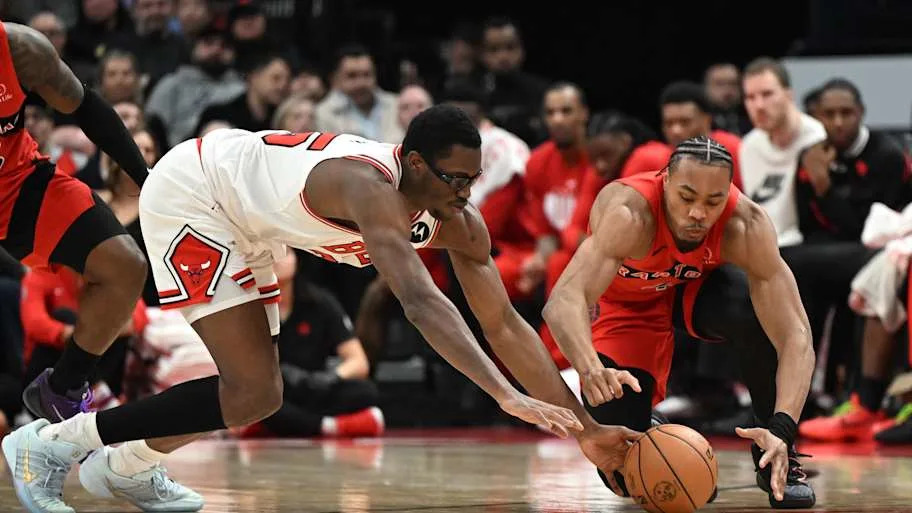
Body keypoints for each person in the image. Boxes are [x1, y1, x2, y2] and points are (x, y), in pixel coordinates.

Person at [5, 105, 641, 512]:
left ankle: (128, 467)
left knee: (257, 395)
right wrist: (505, 396)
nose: (464, 194)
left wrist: (583, 430)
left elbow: (503, 323)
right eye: (453, 179)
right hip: (196, 194)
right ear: (414, 165)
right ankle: (51, 443)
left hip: (254, 219)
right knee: (253, 388)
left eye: (473, 180)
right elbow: (421, 302)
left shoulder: (458, 221)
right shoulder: (366, 186)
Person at [543, 136, 817, 508]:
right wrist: (590, 369)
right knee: (624, 470)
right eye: (687, 198)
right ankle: (652, 433)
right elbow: (562, 302)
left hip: (689, 287)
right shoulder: (629, 214)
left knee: (754, 314)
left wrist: (785, 426)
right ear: (665, 181)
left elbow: (796, 336)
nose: (699, 214)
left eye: (713, 201)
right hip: (625, 305)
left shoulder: (747, 224)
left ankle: (774, 453)